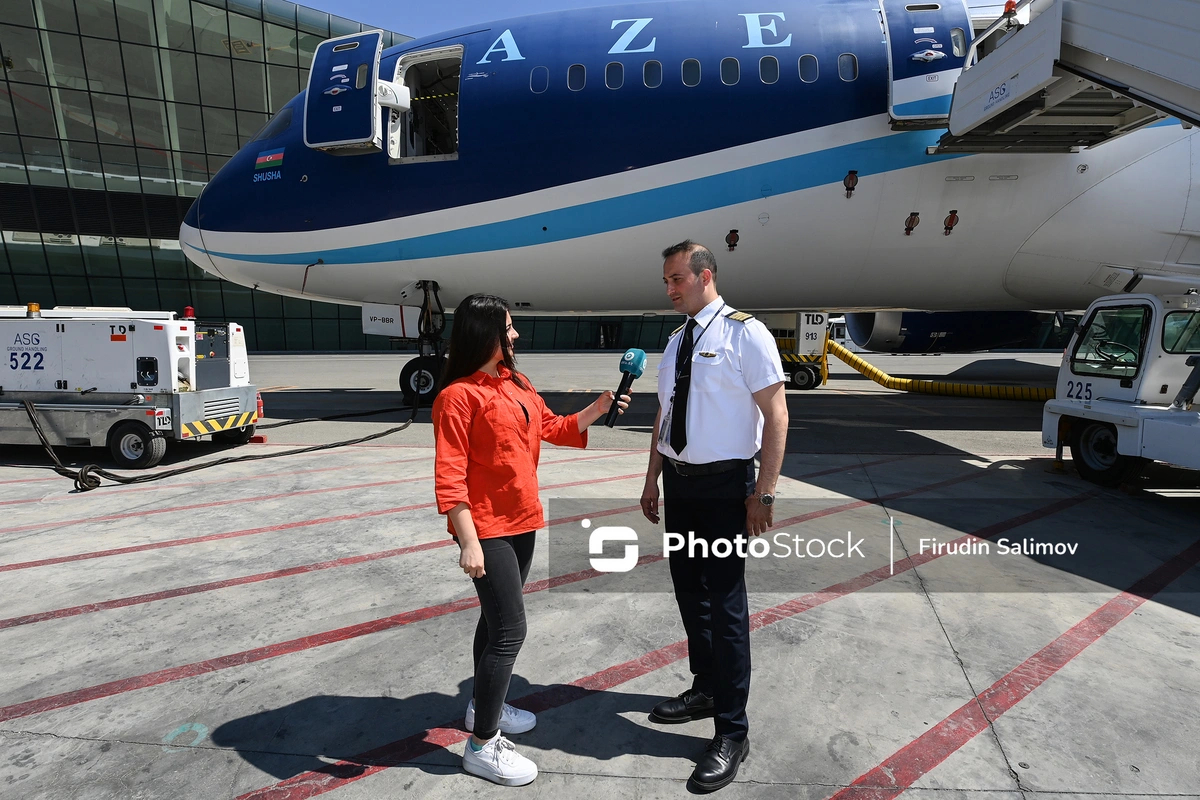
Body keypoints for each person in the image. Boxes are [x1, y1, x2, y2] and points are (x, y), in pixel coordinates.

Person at [432, 293, 629, 787]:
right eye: (509, 327)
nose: (516, 335)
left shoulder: (516, 382)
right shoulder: (458, 397)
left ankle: (482, 706)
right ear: (485, 334)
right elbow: (450, 478)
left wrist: (597, 409)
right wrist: (469, 542)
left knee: (494, 620)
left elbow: (552, 427)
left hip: (522, 522)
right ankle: (481, 746)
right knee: (509, 632)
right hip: (487, 530)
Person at [640, 241, 788, 792]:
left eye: (677, 278)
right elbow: (664, 415)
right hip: (680, 487)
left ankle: (733, 730)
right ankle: (706, 689)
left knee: (725, 605)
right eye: (667, 280)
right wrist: (652, 477)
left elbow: (777, 413)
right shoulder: (678, 340)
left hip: (728, 489)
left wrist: (764, 493)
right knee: (688, 593)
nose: (670, 288)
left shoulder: (745, 333)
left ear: (705, 276)